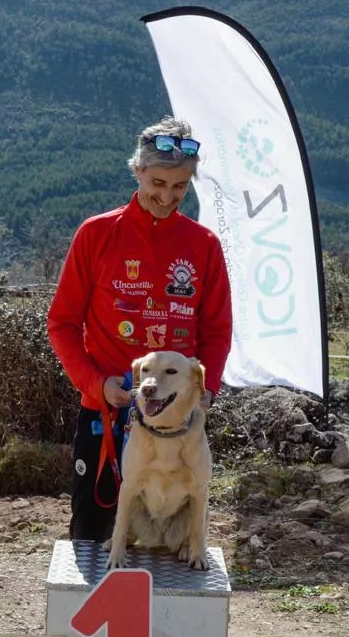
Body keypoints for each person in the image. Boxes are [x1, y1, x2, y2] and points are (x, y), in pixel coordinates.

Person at [47, 115, 233, 542]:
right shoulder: (96, 234)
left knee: (173, 548)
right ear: (137, 171)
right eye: (158, 184)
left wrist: (206, 391)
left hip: (180, 426)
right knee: (94, 542)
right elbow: (61, 323)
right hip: (106, 418)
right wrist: (96, 385)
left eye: (180, 187)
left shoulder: (203, 246)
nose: (167, 197)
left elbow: (217, 331)